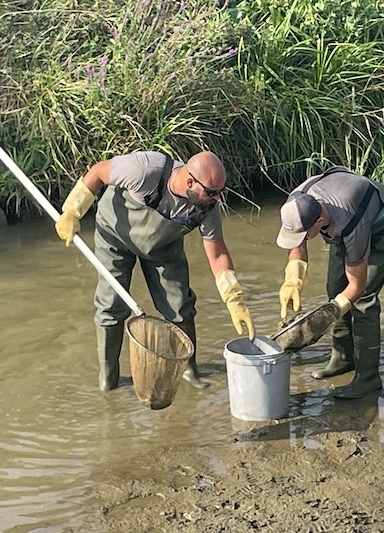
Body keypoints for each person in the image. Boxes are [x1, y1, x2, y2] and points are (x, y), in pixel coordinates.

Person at [56, 149, 255, 392]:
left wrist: (234, 298)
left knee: (180, 307)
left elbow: (217, 253)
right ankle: (109, 379)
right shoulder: (145, 170)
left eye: (219, 192)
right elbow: (99, 172)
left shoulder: (207, 207)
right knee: (110, 307)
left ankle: (189, 371)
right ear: (190, 181)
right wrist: (72, 211)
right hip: (116, 237)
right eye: (212, 192)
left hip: (162, 247)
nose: (217, 199)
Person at [275, 167, 384, 399]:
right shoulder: (296, 204)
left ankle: (369, 380)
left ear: (319, 222)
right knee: (334, 288)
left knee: (363, 300)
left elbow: (356, 286)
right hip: (346, 220)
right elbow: (297, 242)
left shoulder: (349, 222)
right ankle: (343, 359)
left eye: (305, 233)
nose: (301, 240)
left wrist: (332, 311)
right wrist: (293, 279)